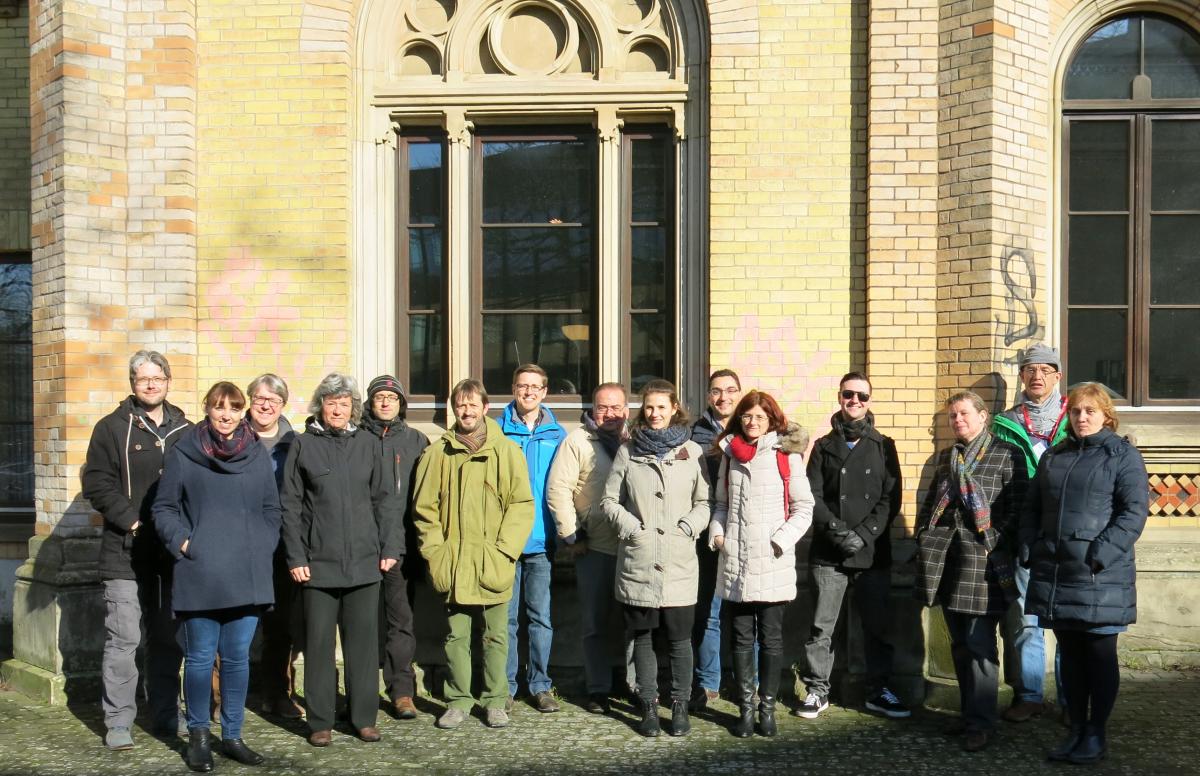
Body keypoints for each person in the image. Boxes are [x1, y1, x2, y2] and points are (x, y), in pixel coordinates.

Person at [152, 382, 281, 772]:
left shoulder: (256, 453)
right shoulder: (184, 453)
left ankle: (233, 736)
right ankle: (198, 738)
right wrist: (186, 544)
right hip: (201, 572)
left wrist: (262, 545)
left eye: (233, 408)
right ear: (206, 408)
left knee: (238, 659)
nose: (226, 415)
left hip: (247, 573)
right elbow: (164, 508)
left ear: (243, 412)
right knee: (200, 659)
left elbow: (272, 508)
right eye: (218, 407)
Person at [1022, 383, 1148, 764]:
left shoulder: (1122, 455)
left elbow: (1133, 512)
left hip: (1099, 577)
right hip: (1057, 574)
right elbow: (1032, 508)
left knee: (1099, 654)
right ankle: (1076, 728)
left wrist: (1099, 555)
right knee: (1071, 656)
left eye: (1090, 411)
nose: (1082, 418)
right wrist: (1030, 545)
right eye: (1076, 411)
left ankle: (1096, 732)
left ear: (1105, 414)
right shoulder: (1054, 457)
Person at [281, 373, 402, 746]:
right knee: (318, 647)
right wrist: (296, 555)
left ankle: (363, 717)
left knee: (364, 648)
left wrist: (390, 548)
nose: (337, 409)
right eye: (331, 402)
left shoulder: (367, 444)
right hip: (317, 565)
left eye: (344, 402)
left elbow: (385, 500)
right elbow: (290, 505)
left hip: (366, 563)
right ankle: (320, 722)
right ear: (321, 405)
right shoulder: (302, 445)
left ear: (354, 407)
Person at [82, 350, 191, 751]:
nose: (151, 385)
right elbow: (96, 482)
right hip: (124, 553)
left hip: (168, 555)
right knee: (124, 639)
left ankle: (164, 713)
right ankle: (118, 720)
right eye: (143, 379)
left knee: (167, 638)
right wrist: (133, 521)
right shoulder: (111, 428)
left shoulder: (186, 430)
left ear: (168, 381)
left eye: (157, 378)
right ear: (132, 383)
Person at [412, 379, 534, 730]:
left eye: (472, 405)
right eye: (459, 405)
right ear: (454, 409)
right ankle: (458, 700)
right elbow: (425, 509)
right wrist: (436, 552)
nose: (466, 411)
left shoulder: (507, 451)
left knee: (497, 635)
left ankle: (495, 700)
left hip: (494, 561)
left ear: (485, 408)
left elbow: (521, 505)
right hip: (453, 563)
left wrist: (505, 551)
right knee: (456, 636)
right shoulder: (438, 453)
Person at [915, 391, 1026, 752]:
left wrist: (993, 537)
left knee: (979, 646)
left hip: (984, 563)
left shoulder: (1007, 455)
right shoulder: (950, 457)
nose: (957, 420)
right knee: (960, 644)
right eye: (952, 416)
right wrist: (924, 536)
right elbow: (932, 501)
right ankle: (968, 715)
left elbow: (1019, 507)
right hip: (948, 562)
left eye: (963, 413)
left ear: (982, 416)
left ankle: (982, 722)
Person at [601, 379, 710, 738]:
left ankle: (679, 706)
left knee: (680, 639)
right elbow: (610, 501)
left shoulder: (692, 452)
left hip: (679, 560)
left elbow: (705, 503)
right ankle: (648, 705)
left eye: (662, 407)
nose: (655, 413)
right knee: (643, 636)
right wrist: (633, 528)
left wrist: (687, 528)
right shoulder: (628, 451)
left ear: (674, 409)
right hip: (640, 559)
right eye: (649, 407)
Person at [799, 372, 908, 720]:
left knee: (878, 626)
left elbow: (891, 497)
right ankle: (817, 689)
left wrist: (863, 534)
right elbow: (812, 495)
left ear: (869, 401)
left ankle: (879, 690)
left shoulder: (884, 445)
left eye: (862, 396)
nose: (855, 401)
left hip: (872, 551)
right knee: (822, 626)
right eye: (849, 394)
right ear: (840, 397)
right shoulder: (822, 446)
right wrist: (837, 531)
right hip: (830, 551)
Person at [709, 391, 813, 737]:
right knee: (739, 639)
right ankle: (745, 709)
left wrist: (778, 542)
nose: (752, 423)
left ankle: (767, 710)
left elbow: (803, 508)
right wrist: (719, 534)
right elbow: (721, 503)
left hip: (772, 561)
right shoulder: (730, 454)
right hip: (736, 560)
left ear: (772, 421)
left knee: (770, 639)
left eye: (759, 418)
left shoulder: (786, 457)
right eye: (746, 417)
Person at [991, 344, 1069, 723]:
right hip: (1023, 535)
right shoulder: (1004, 424)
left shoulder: (1077, 420)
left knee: (1069, 621)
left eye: (1045, 369)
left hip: (1067, 537)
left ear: (1057, 376)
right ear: (1021, 377)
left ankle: (1072, 700)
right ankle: (1030, 693)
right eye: (1029, 369)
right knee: (1025, 619)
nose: (1036, 376)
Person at [545, 382, 633, 714]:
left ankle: (633, 684)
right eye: (602, 408)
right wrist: (572, 536)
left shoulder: (636, 441)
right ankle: (598, 688)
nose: (609, 414)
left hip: (632, 547)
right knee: (595, 623)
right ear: (592, 409)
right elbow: (558, 491)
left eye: (616, 408)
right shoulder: (577, 441)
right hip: (593, 547)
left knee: (633, 623)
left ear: (626, 410)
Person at [361, 374, 429, 720]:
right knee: (360, 623)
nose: (385, 402)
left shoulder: (417, 441)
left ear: (401, 404)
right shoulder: (356, 439)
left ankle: (402, 692)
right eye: (379, 397)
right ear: (370, 403)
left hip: (402, 548)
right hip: (360, 547)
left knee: (401, 622)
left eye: (392, 397)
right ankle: (360, 691)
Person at [499, 364, 567, 713]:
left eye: (535, 387)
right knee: (506, 620)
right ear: (513, 388)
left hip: (542, 540)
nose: (528, 392)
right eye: (522, 385)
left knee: (540, 617)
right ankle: (506, 687)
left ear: (544, 391)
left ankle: (540, 684)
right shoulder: (496, 431)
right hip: (506, 542)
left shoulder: (557, 434)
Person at [245, 373, 304, 720]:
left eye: (274, 400)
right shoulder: (233, 437)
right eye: (259, 398)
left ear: (283, 405)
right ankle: (222, 697)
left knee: (280, 624)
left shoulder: (294, 442)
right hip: (239, 543)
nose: (266, 405)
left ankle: (276, 693)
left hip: (281, 544)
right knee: (232, 620)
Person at [688, 368, 742, 709]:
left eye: (731, 390)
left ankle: (745, 682)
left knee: (743, 611)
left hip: (744, 534)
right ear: (708, 396)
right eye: (717, 391)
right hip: (706, 534)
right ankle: (709, 683)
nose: (724, 397)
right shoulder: (693, 434)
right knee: (708, 610)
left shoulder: (752, 427)